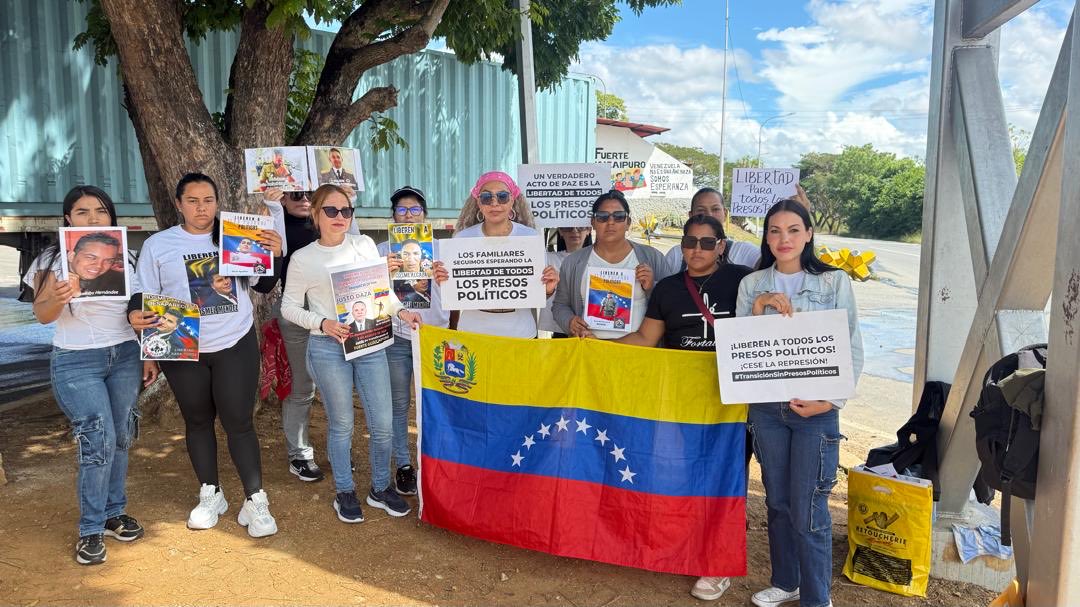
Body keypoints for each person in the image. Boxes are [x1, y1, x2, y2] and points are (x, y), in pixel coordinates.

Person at [133, 173, 283, 538]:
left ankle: (254, 499)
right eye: (193, 201)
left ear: (218, 202)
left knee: (239, 421)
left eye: (209, 200)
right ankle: (211, 493)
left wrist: (275, 254)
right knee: (197, 421)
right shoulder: (159, 245)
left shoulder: (235, 236)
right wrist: (148, 353)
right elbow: (144, 297)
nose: (202, 208)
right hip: (183, 344)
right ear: (179, 203)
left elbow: (263, 284)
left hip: (234, 341)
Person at [613, 214, 754, 601]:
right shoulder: (668, 289)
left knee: (727, 480)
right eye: (690, 242)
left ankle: (717, 565)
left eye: (707, 243)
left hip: (731, 400)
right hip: (682, 400)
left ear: (721, 246)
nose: (696, 250)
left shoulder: (743, 279)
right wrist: (598, 345)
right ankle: (686, 547)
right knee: (685, 475)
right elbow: (647, 336)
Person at [736, 198, 863, 607]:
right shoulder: (751, 285)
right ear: (766, 237)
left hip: (815, 412)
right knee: (777, 501)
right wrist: (757, 311)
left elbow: (851, 346)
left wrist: (831, 400)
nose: (784, 238)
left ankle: (816, 597)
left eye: (793, 229)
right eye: (775, 230)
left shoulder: (833, 282)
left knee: (809, 509)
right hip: (767, 411)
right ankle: (786, 581)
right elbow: (740, 352)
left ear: (808, 234)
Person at [23, 185, 158, 565]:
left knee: (120, 437)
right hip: (76, 360)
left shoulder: (127, 258)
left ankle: (114, 512)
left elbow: (140, 309)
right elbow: (43, 315)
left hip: (125, 356)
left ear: (111, 216)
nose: (93, 218)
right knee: (97, 439)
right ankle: (90, 529)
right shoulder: (52, 261)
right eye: (82, 212)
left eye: (100, 211)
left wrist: (148, 354)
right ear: (68, 219)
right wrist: (61, 295)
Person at [282, 184, 423, 523]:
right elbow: (288, 307)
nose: (340, 217)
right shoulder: (303, 258)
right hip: (328, 346)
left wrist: (402, 312)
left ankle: (380, 487)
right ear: (316, 214)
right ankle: (344, 491)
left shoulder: (363, 245)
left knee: (383, 423)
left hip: (371, 343)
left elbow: (382, 294)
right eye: (331, 210)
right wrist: (322, 322)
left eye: (346, 211)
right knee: (342, 424)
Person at [376, 185, 449, 497]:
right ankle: (404, 464)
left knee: (434, 402)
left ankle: (436, 463)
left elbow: (463, 293)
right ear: (393, 216)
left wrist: (447, 277)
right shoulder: (382, 251)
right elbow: (367, 293)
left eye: (414, 209)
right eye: (401, 210)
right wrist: (382, 271)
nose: (408, 214)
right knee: (398, 403)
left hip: (432, 337)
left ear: (424, 214)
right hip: (396, 337)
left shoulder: (442, 251)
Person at [432, 172, 559, 338]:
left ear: (512, 199)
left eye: (502, 196)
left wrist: (548, 290)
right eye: (486, 197)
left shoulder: (530, 238)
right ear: (478, 202)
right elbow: (453, 291)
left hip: (521, 335)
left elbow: (538, 290)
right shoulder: (462, 239)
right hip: (474, 334)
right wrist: (443, 281)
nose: (494, 203)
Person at [552, 190, 667, 339]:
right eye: (602, 217)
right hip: (589, 349)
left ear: (628, 223)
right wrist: (570, 322)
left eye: (618, 217)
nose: (610, 222)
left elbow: (671, 305)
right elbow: (560, 305)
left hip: (638, 351)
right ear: (592, 223)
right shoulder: (573, 262)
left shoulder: (653, 257)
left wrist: (652, 288)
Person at [662, 187, 761, 277]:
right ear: (691, 215)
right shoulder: (676, 255)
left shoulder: (743, 251)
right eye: (701, 210)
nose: (709, 214)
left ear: (725, 214)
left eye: (715, 209)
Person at [539, 226, 590, 338]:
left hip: (588, 327)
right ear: (560, 232)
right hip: (556, 326)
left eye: (581, 228)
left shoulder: (596, 260)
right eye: (568, 228)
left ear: (589, 230)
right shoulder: (546, 258)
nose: (575, 231)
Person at [67, 231, 126, 297]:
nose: (99, 266)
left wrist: (78, 295)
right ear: (71, 256)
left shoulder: (117, 281)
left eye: (108, 261)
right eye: (91, 258)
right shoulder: (55, 275)